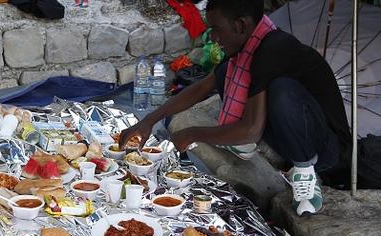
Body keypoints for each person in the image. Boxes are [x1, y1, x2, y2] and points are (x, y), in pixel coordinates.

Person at [118, 0, 351, 216]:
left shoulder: (274, 49)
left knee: (282, 89)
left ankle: (305, 171)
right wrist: (150, 119)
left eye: (217, 29)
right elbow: (202, 87)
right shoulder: (247, 46)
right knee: (223, 74)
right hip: (289, 137)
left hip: (326, 151)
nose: (212, 37)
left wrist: (190, 134)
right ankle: (246, 144)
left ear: (240, 25)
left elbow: (251, 129)